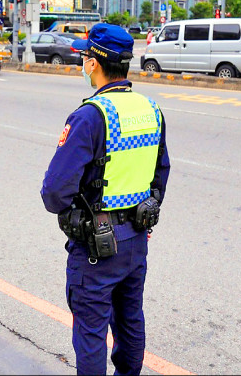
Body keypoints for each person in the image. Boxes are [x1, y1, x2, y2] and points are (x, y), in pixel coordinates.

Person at [40, 23, 171, 375]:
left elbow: (54, 192)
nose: (83, 63)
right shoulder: (151, 110)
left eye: (85, 57)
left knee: (91, 333)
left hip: (96, 246)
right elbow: (161, 174)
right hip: (137, 239)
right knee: (130, 323)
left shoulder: (90, 116)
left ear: (95, 64)